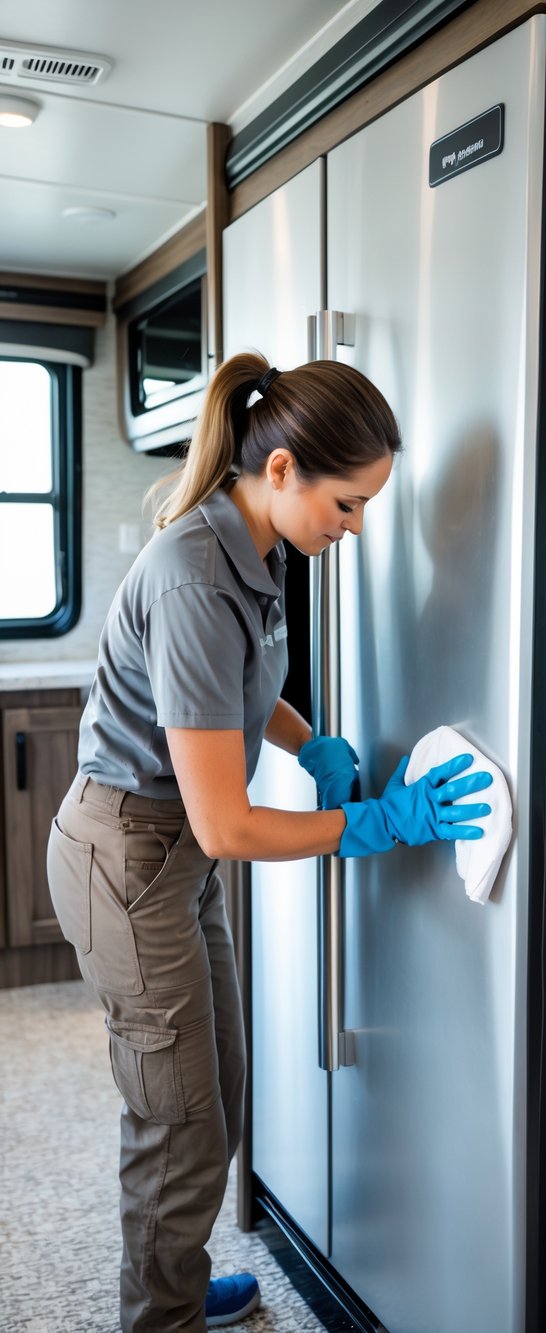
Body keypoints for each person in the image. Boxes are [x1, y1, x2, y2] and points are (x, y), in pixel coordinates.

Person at [47, 351, 492, 1332]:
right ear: (284, 469)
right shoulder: (198, 573)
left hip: (171, 856)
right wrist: (375, 823)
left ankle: (175, 1275)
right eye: (348, 504)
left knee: (218, 1092)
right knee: (178, 1124)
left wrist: (311, 741)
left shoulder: (256, 545)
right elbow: (226, 822)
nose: (356, 528)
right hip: (128, 854)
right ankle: (159, 1316)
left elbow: (236, 693)